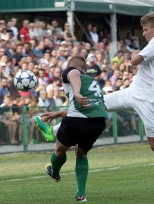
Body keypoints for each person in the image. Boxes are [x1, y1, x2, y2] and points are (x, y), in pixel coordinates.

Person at [35, 12, 154, 192]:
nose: (143, 34)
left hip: (148, 100)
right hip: (132, 92)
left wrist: (135, 53)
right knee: (95, 105)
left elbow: (134, 60)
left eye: (145, 30)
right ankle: (53, 130)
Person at [36, 56, 107, 202]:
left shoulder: (71, 71)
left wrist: (76, 92)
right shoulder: (95, 83)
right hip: (98, 122)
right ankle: (81, 195)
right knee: (81, 154)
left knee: (60, 150)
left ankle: (54, 172)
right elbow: (99, 107)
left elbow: (74, 74)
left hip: (76, 121)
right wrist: (58, 113)